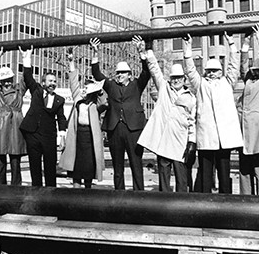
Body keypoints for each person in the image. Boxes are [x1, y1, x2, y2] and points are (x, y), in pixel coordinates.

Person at [183, 33, 243, 193]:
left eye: (215, 70)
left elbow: (234, 65)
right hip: (207, 136)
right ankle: (205, 203)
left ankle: (226, 201)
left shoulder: (227, 82)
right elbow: (190, 70)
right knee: (206, 173)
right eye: (209, 70)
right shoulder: (200, 84)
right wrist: (188, 48)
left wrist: (231, 43)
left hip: (224, 138)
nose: (211, 73)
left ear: (220, 71)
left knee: (224, 172)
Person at [91, 36, 150, 190]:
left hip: (134, 129)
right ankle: (119, 194)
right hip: (115, 129)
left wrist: (141, 52)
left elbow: (147, 72)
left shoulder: (137, 85)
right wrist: (95, 53)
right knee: (118, 167)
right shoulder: (110, 86)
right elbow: (97, 74)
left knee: (136, 164)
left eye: (123, 72)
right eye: (118, 72)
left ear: (130, 74)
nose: (119, 74)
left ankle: (139, 194)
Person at [138, 44, 196, 192]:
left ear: (184, 79)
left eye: (178, 78)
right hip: (163, 142)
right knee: (164, 181)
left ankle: (182, 209)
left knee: (182, 181)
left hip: (180, 143)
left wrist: (191, 142)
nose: (175, 80)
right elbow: (155, 70)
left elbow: (192, 123)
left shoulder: (191, 98)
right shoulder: (164, 88)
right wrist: (149, 51)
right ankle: (164, 207)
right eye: (173, 78)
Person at [58, 47, 108, 188]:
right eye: (84, 88)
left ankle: (87, 194)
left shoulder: (95, 104)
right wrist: (71, 62)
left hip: (90, 138)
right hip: (77, 136)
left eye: (87, 89)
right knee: (76, 169)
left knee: (88, 170)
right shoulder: (78, 99)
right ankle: (75, 195)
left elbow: (104, 101)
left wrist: (97, 89)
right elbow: (73, 81)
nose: (84, 90)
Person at [19, 46, 67, 187]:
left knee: (50, 166)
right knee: (34, 166)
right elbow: (28, 76)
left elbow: (61, 118)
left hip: (49, 136)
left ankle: (50, 194)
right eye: (50, 81)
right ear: (43, 82)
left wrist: (62, 136)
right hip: (33, 134)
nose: (52, 83)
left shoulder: (60, 100)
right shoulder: (37, 91)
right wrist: (26, 57)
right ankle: (36, 193)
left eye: (54, 81)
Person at [0, 48, 27, 185]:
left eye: (9, 80)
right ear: (0, 81)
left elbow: (27, 78)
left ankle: (16, 188)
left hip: (15, 128)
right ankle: (0, 189)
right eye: (4, 80)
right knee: (0, 163)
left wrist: (25, 58)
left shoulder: (19, 90)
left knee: (16, 163)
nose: (7, 83)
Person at [238, 23, 259, 195]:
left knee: (258, 170)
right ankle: (245, 202)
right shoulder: (249, 80)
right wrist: (246, 42)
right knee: (244, 170)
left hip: (257, 132)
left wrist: (257, 40)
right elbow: (243, 64)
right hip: (244, 132)